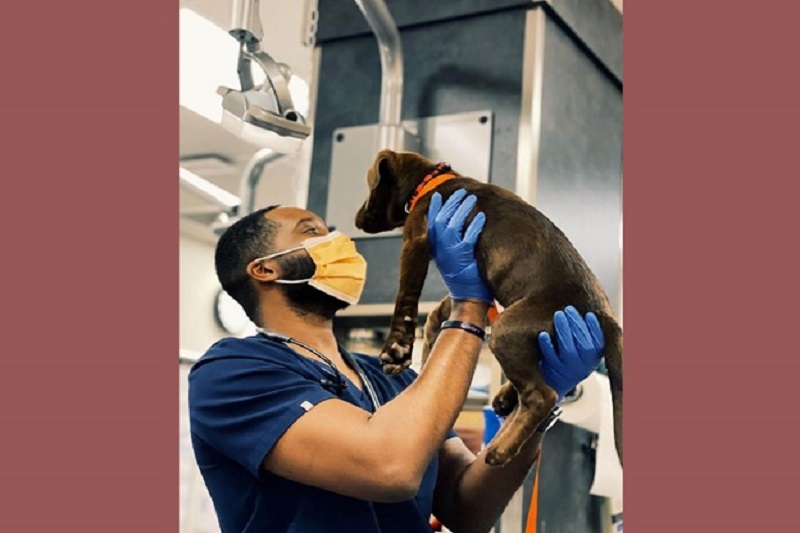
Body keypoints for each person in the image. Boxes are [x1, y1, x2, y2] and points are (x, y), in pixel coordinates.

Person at [188, 190, 605, 533]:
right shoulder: (232, 373)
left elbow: (467, 507)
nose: (337, 241)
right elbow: (389, 466)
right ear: (264, 270)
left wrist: (538, 400)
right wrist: (468, 307)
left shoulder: (390, 379)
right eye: (312, 232)